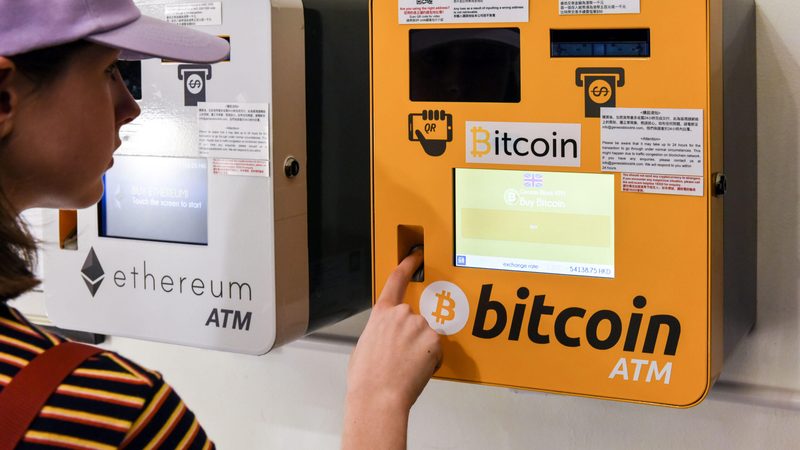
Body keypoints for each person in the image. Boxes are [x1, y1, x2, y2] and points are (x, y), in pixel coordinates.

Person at [0, 1, 441, 448]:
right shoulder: (108, 414)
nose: (130, 106)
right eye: (108, 71)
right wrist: (378, 398)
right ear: (4, 98)